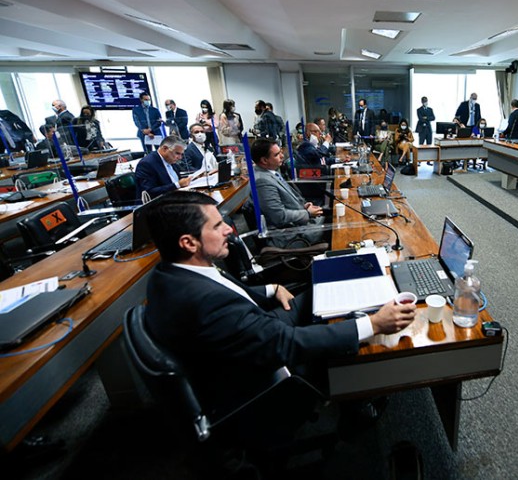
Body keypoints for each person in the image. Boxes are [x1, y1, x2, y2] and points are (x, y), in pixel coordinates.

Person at [142, 190, 416, 449]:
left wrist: (272, 289)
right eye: (217, 226)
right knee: (358, 335)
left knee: (325, 289)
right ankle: (357, 410)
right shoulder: (204, 302)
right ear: (188, 242)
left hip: (252, 333)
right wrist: (373, 324)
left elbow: (229, 292)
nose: (229, 229)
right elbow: (284, 343)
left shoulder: (172, 272)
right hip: (263, 381)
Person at [251, 137, 327, 247]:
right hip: (290, 235)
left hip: (298, 224)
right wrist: (307, 213)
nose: (282, 156)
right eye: (277, 155)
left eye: (281, 152)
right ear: (264, 160)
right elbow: (279, 216)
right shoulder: (262, 181)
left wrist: (304, 206)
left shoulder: (271, 172)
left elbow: (287, 200)